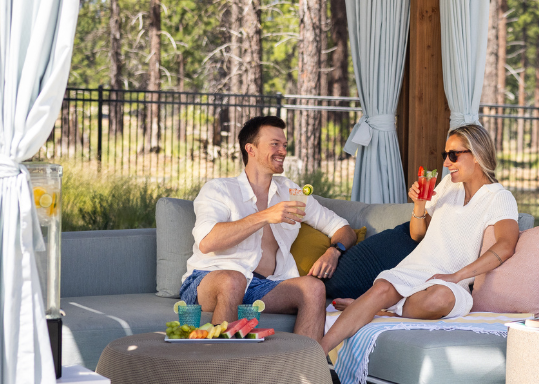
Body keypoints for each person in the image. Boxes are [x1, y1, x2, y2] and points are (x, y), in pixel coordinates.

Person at [320, 123, 519, 354]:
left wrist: (457, 275)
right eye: (446, 155)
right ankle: (315, 353)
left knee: (439, 299)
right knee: (381, 289)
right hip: (415, 268)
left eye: (453, 155)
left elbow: (506, 246)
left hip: (452, 282)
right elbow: (418, 234)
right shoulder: (447, 186)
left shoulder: (499, 198)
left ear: (476, 155)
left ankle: (378, 309)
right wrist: (419, 205)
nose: (446, 163)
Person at [180, 115, 357, 341]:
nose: (283, 151)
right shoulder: (219, 190)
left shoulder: (291, 193)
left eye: (284, 145)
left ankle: (303, 371)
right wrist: (265, 216)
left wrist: (334, 251)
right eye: (275, 144)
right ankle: (223, 371)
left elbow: (343, 228)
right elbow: (208, 242)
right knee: (233, 280)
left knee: (313, 288)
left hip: (263, 285)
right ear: (250, 149)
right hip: (209, 280)